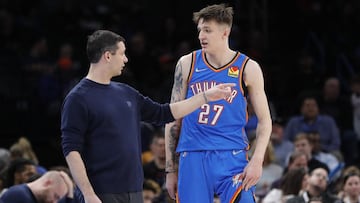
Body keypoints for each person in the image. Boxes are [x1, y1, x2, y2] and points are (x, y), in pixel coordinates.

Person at [61, 30, 234, 203]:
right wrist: (88, 194)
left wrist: (205, 97)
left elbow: (164, 113)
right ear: (107, 56)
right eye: (122, 53)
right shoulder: (78, 98)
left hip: (134, 191)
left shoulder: (126, 92)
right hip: (100, 193)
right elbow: (71, 149)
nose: (125, 59)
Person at [164, 4, 272, 203]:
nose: (201, 36)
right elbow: (172, 117)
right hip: (193, 154)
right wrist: (170, 170)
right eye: (200, 30)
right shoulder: (187, 63)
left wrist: (257, 160)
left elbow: (265, 121)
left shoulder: (248, 67)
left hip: (231, 156)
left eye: (207, 30)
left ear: (225, 32)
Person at [0, 170, 73, 203]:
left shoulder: (31, 197)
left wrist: (70, 194)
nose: (54, 202)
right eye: (55, 196)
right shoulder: (19, 195)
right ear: (47, 183)